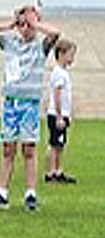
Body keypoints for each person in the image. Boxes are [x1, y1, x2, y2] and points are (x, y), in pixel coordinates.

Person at [0, 4, 62, 211]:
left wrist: (37, 24)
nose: (27, 28)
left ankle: (30, 193)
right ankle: (2, 193)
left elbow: (56, 33)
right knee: (8, 148)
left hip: (30, 103)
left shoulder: (40, 46)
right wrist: (10, 24)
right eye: (24, 23)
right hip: (11, 102)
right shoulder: (9, 42)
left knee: (29, 148)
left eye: (31, 24)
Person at [45, 38, 77, 185]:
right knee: (54, 144)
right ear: (62, 54)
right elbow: (57, 95)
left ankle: (58, 171)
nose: (72, 58)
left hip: (63, 115)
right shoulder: (58, 73)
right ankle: (50, 172)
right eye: (71, 54)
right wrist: (58, 116)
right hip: (56, 114)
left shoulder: (63, 72)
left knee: (60, 144)